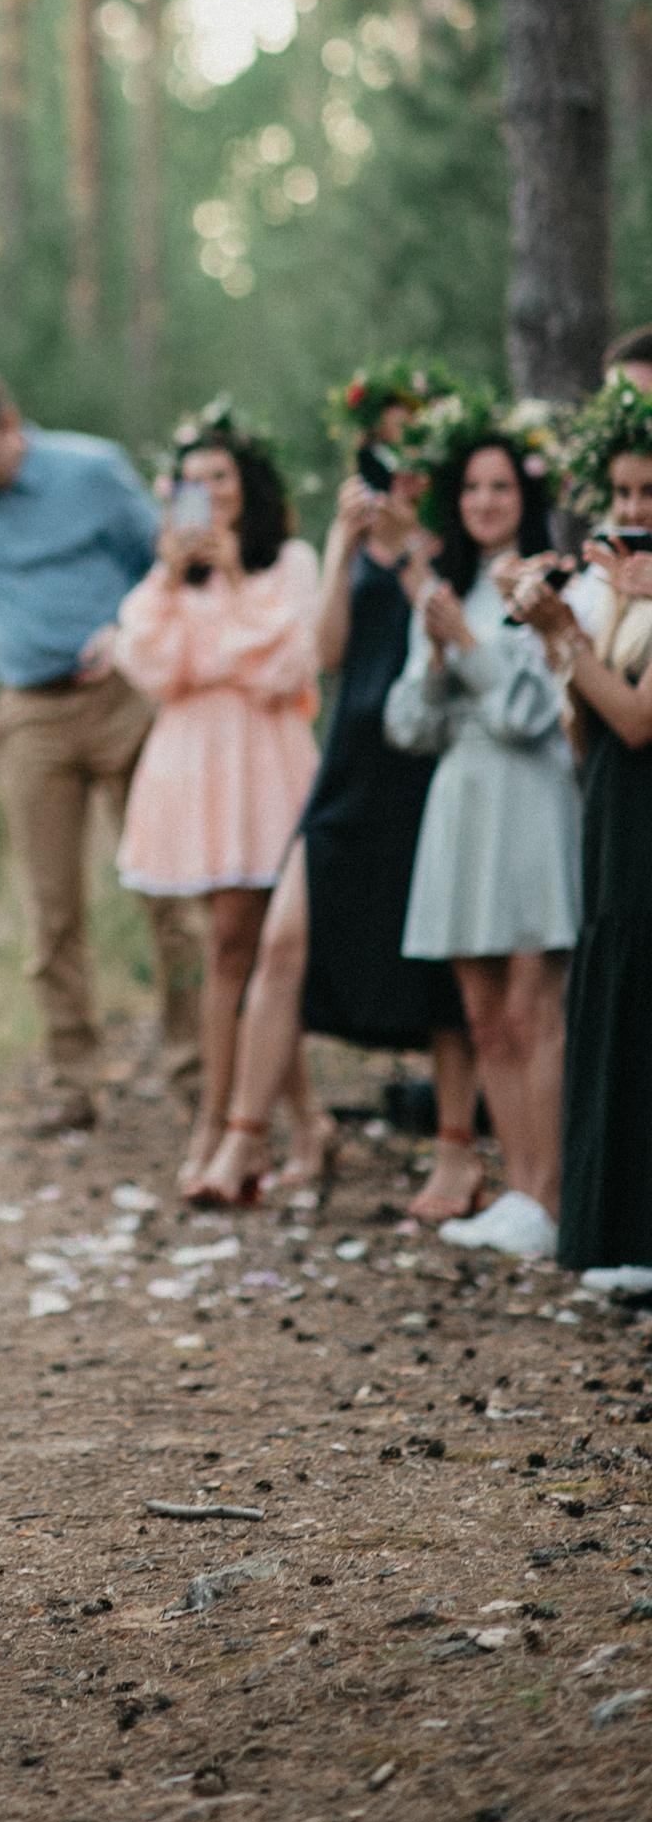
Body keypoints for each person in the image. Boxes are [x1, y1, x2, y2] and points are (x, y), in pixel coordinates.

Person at [193, 372, 479, 1219]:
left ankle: (459, 1154)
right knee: (282, 944)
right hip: (351, 761)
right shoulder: (358, 539)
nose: (400, 471)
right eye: (385, 450)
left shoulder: (455, 536)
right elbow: (325, 653)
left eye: (413, 450)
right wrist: (351, 546)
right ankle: (247, 1135)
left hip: (428, 760)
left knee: (444, 968)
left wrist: (411, 547)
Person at [0, 365, 200, 1135]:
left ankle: (197, 1073)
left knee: (170, 894)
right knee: (52, 911)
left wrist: (130, 630)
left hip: (126, 703)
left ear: (9, 422)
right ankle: (75, 1081)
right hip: (29, 716)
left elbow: (170, 562)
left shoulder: (94, 470)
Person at [112, 403, 320, 1198]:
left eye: (220, 475)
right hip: (193, 770)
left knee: (250, 946)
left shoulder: (286, 562)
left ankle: (228, 1125)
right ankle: (293, 1123)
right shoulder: (171, 576)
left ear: (246, 484)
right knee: (243, 949)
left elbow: (282, 667)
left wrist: (233, 576)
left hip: (265, 765)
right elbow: (153, 663)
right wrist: (173, 572)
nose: (208, 490)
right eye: (192, 479)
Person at [384, 419, 579, 1265]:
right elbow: (405, 726)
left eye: (501, 486)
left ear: (525, 497)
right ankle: (518, 1183)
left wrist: (467, 649)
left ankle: (555, 1192)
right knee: (482, 1013)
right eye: (471, 488)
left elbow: (532, 716)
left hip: (531, 803)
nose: (485, 502)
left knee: (536, 1008)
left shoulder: (548, 586)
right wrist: (435, 656)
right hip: (459, 804)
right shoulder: (446, 590)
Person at [509, 375, 652, 1294]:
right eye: (625, 496)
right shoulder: (621, 597)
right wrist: (566, 636)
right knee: (612, 994)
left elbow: (641, 722)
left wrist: (572, 631)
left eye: (651, 494)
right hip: (612, 812)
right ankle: (615, 1228)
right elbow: (586, 730)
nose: (635, 512)